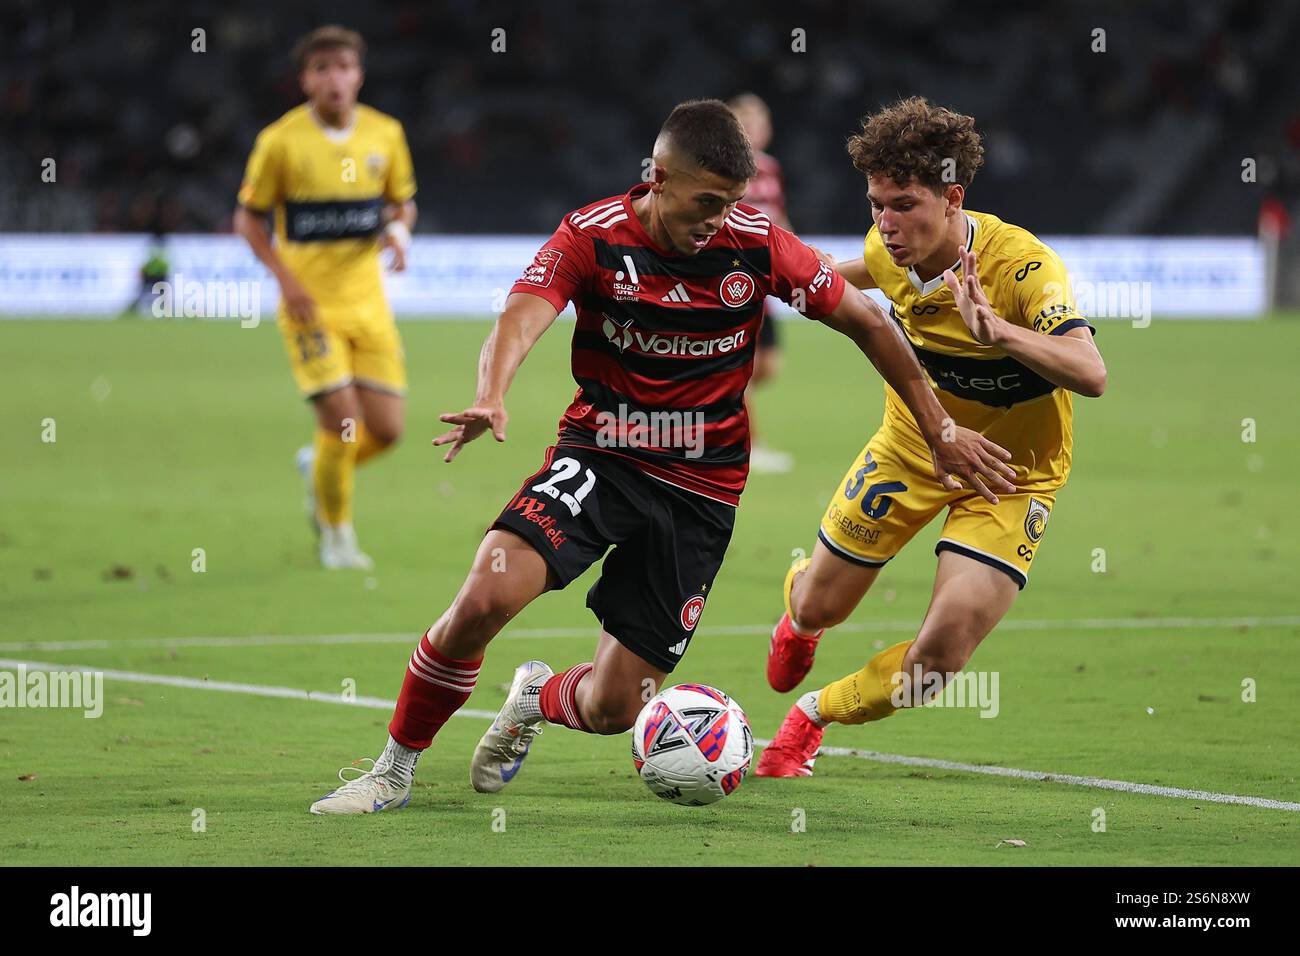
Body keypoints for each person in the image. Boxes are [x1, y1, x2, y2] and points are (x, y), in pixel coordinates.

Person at [308, 98, 1011, 814]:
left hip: (701, 493)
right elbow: (523, 313)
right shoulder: (593, 234)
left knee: (615, 707)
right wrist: (492, 392)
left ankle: (532, 698)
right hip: (602, 457)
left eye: (733, 201)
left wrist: (939, 428)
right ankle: (392, 771)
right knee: (482, 599)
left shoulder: (757, 244)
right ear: (660, 177)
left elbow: (868, 323)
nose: (720, 217)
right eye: (707, 199)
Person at [757, 97, 1107, 777]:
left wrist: (1000, 332)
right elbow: (846, 278)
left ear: (953, 198)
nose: (887, 224)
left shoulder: (1021, 269)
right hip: (912, 449)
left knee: (941, 656)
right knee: (818, 602)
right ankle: (799, 619)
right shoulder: (886, 248)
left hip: (1010, 477)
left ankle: (811, 717)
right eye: (876, 204)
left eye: (904, 204)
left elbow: (1090, 373)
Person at [233, 25, 417, 570]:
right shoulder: (281, 142)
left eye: (343, 67)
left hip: (370, 307)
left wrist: (400, 233)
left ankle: (319, 468)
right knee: (341, 421)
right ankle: (337, 537)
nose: (334, 78)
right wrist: (285, 279)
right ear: (305, 80)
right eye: (322, 69)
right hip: (309, 310)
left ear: (358, 75)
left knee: (385, 431)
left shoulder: (385, 134)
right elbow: (247, 217)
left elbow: (402, 203)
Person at [728, 92, 794, 473]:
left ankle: (710, 404)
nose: (756, 128)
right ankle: (747, 446)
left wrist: (800, 255)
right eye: (747, 121)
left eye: (760, 120)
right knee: (743, 366)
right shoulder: (727, 169)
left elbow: (778, 218)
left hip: (768, 281)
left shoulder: (770, 168)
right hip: (740, 280)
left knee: (767, 366)